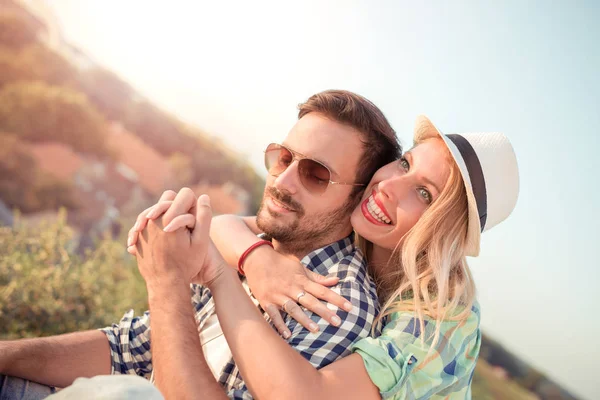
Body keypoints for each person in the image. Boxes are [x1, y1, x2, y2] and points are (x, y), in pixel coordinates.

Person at [0, 90, 400, 399]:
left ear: (357, 199)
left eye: (315, 173)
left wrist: (165, 282)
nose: (283, 181)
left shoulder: (336, 304)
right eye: (283, 158)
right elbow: (132, 350)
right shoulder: (258, 245)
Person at [123, 114, 519, 399]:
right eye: (404, 163)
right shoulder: (363, 232)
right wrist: (258, 261)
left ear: (443, 232)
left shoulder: (441, 320)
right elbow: (231, 226)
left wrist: (215, 277)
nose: (390, 185)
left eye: (424, 193)